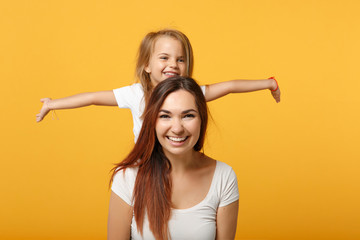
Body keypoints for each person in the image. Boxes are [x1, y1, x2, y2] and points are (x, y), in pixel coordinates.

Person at [36, 29, 281, 141]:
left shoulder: (191, 94)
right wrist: (52, 104)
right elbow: (91, 98)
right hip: (144, 171)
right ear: (147, 65)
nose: (172, 64)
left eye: (180, 59)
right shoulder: (135, 94)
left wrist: (269, 84)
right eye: (163, 58)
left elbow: (229, 86)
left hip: (180, 169)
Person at [108, 76, 239, 240]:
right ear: (152, 121)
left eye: (188, 116)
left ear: (202, 120)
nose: (177, 128)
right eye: (165, 116)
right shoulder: (127, 178)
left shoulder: (224, 177)